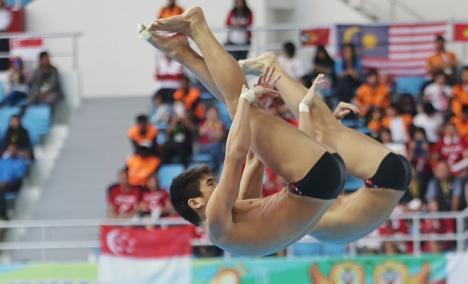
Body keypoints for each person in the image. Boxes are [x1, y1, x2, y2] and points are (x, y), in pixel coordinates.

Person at [141, 7, 409, 255]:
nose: (219, 185)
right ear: (195, 203)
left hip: (320, 180)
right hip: (313, 182)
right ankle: (195, 29)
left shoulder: (234, 218)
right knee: (237, 102)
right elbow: (235, 156)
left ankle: (181, 52)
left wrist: (261, 117)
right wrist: (247, 106)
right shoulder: (217, 226)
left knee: (243, 107)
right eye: (210, 184)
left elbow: (253, 161)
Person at [198, 106, 226, 173]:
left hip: (216, 146)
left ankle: (214, 168)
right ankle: (216, 169)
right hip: (204, 146)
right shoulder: (203, 122)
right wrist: (209, 122)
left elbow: (219, 137)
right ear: (207, 114)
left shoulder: (221, 124)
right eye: (211, 113)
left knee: (216, 147)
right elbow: (201, 133)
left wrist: (214, 126)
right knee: (217, 149)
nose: (212, 115)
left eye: (214, 113)